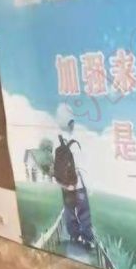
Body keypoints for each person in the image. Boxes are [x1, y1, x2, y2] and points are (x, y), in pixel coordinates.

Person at [54, 103, 95, 249]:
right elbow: (82, 167)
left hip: (66, 186)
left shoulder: (57, 141)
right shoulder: (76, 143)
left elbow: (56, 167)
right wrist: (88, 185)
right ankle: (87, 239)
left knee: (69, 211)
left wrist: (61, 182)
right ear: (71, 122)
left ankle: (74, 236)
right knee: (83, 212)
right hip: (78, 185)